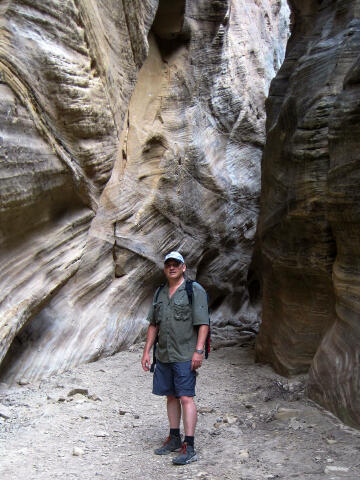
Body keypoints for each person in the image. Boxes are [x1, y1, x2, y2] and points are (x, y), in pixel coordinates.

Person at [141, 251, 210, 465]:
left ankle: (189, 446)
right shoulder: (160, 292)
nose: (172, 267)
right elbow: (154, 323)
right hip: (164, 354)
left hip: (184, 354)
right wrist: (146, 351)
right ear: (165, 268)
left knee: (186, 397)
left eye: (176, 264)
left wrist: (198, 351)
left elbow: (203, 323)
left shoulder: (193, 290)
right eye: (168, 264)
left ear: (183, 267)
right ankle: (173, 438)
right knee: (170, 396)